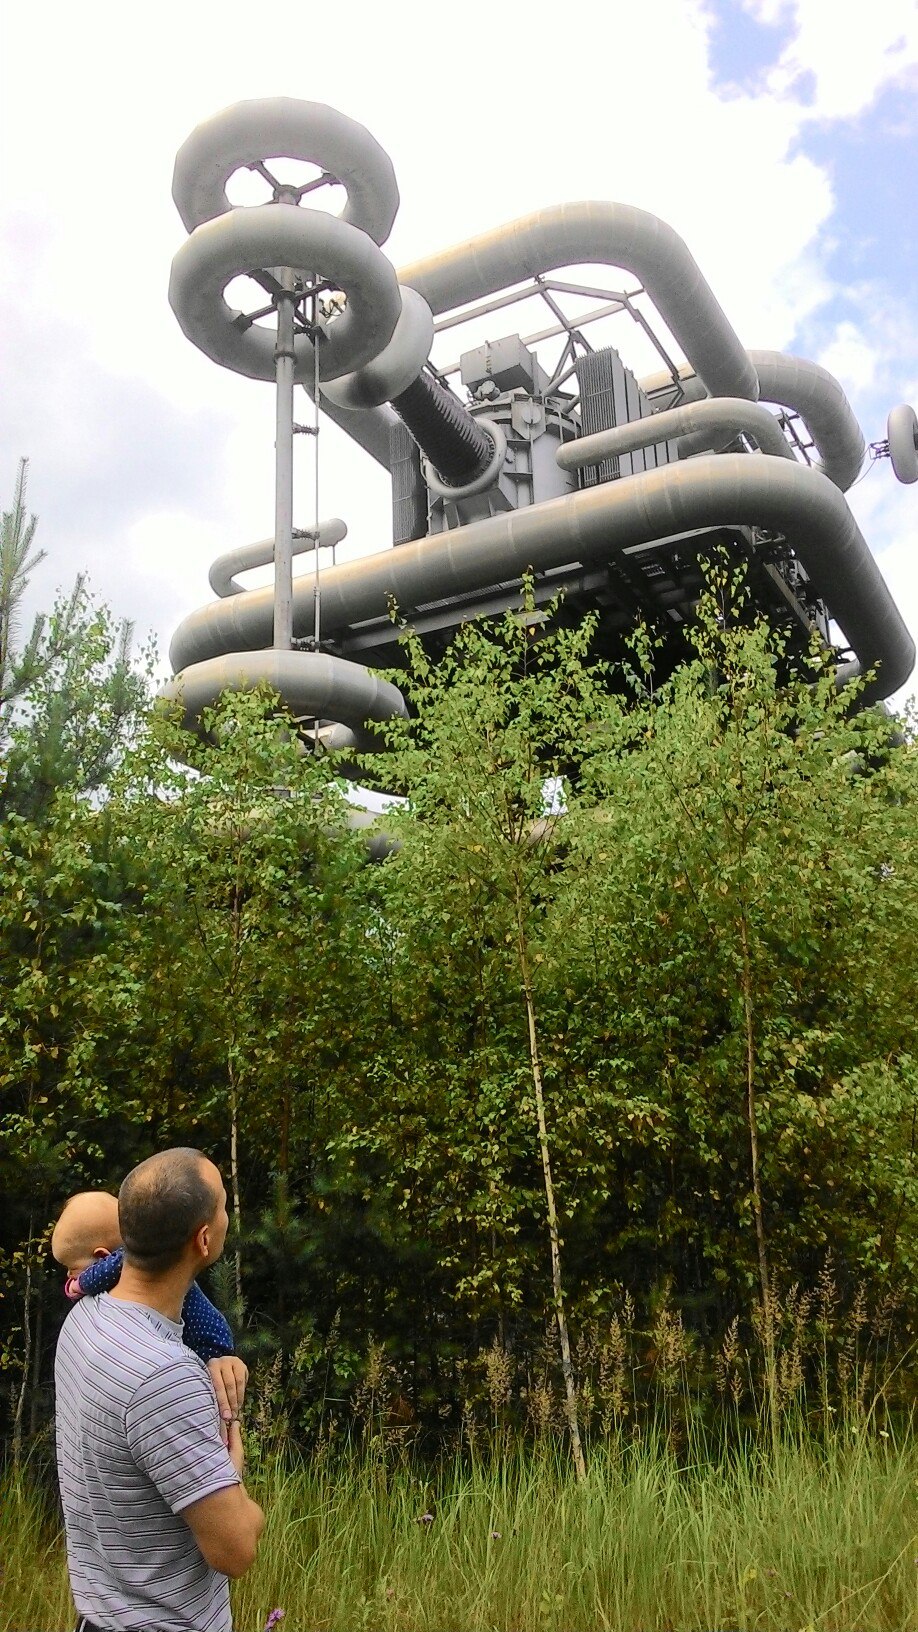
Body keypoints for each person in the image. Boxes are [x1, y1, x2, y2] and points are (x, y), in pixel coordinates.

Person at [55, 1149, 264, 1632]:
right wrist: (232, 1475)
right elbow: (235, 1550)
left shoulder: (84, 1320)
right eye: (223, 1205)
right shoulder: (166, 1376)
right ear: (204, 1239)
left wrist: (215, 1355)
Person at [51, 1189, 244, 1424]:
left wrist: (78, 1285)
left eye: (71, 1268)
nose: (69, 1276)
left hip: (209, 1346)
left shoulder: (123, 1259)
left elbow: (99, 1276)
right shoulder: (140, 1254)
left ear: (102, 1256)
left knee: (219, 1406)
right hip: (208, 1340)